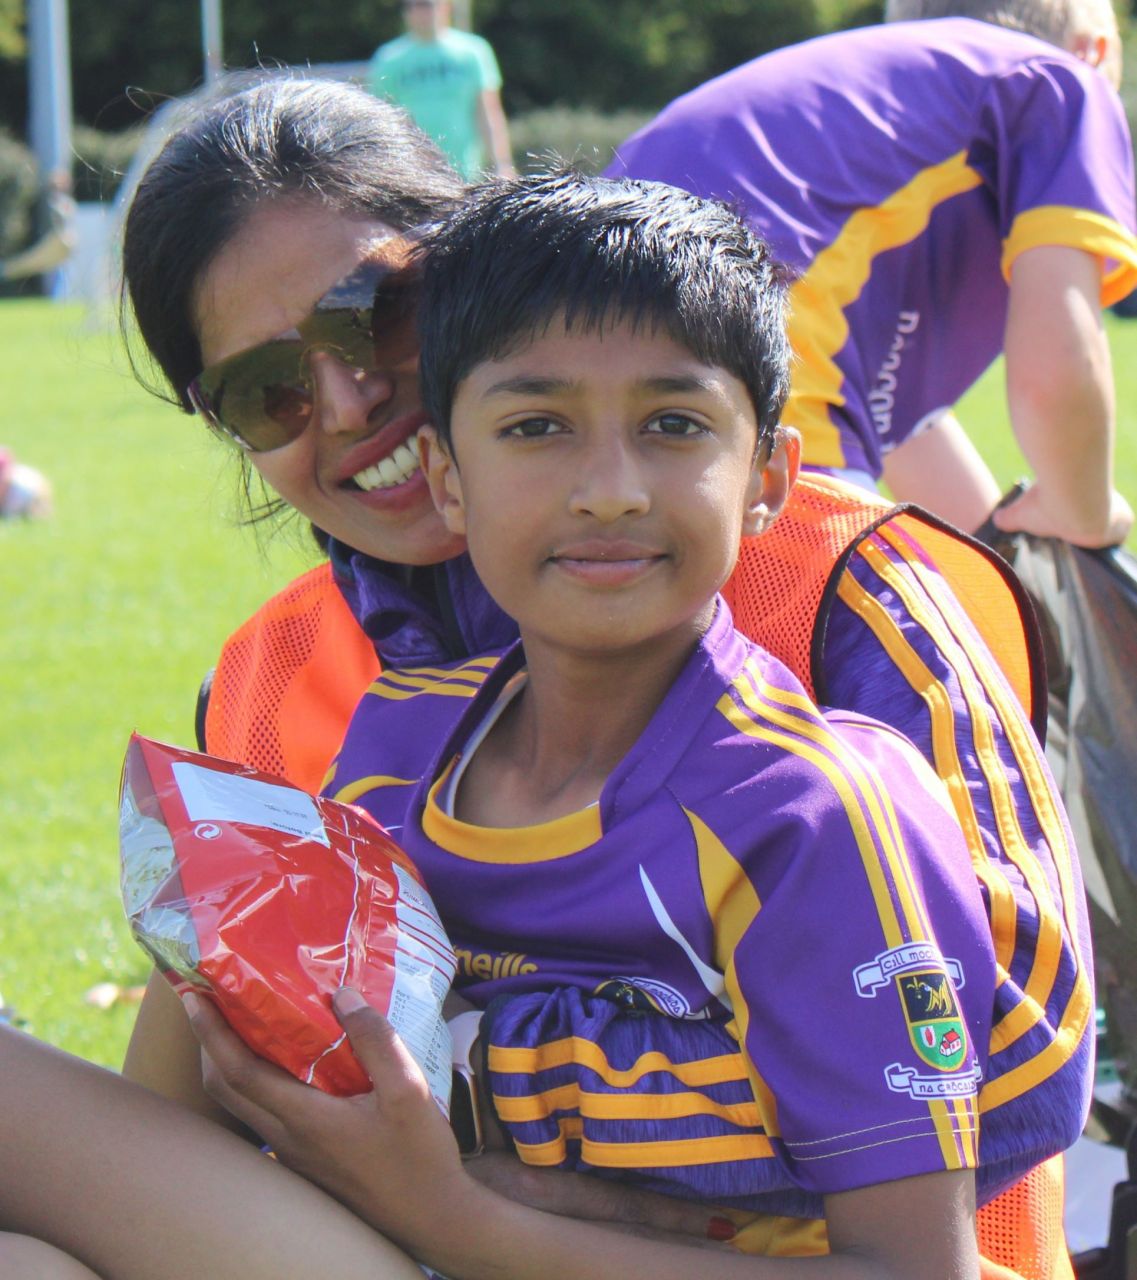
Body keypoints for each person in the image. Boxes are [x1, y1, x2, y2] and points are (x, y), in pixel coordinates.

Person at [112, 74, 1086, 1275]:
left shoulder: (837, 582)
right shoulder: (281, 678)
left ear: (478, 266)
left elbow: (1010, 1046)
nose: (349, 398)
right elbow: (216, 1082)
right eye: (269, 390)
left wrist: (487, 1149)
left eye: (376, 315)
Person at [605, 0, 1137, 547]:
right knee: (879, 628)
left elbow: (900, 424)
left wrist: (1000, 560)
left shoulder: (864, 103)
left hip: (582, 414)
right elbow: (1056, 367)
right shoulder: (1060, 81)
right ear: (1094, 51)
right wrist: (1084, 512)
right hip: (757, 399)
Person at [368, 0, 514, 179]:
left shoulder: (473, 52)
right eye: (413, 6)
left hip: (466, 172)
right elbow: (381, 121)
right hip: (412, 174)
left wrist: (502, 164)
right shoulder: (389, 59)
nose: (420, 12)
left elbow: (488, 112)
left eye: (426, 4)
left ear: (444, 7)